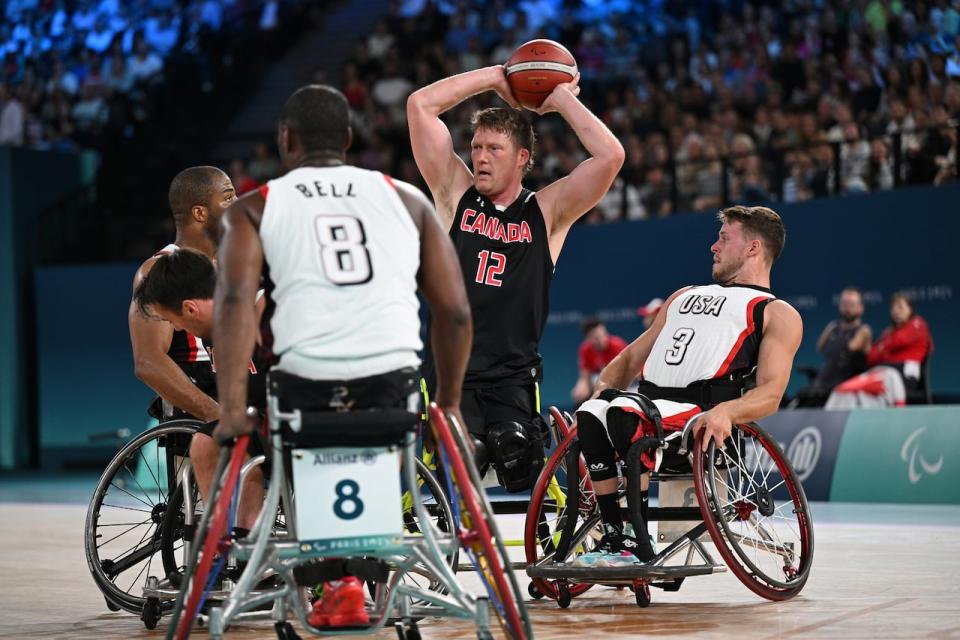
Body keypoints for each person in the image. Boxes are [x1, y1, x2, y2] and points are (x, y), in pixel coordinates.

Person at [210, 84, 472, 628]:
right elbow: (454, 313)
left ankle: (332, 577)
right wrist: (447, 403)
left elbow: (235, 302)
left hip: (304, 393)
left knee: (293, 432)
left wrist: (233, 409)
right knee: (372, 433)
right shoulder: (408, 199)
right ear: (349, 140)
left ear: (286, 140)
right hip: (393, 391)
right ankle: (360, 574)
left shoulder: (254, 208)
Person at [407, 63, 624, 492]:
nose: (481, 156)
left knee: (516, 457)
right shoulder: (455, 194)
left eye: (494, 148)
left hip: (513, 374)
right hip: (452, 370)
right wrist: (494, 77)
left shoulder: (547, 212)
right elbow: (420, 106)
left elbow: (611, 156)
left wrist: (560, 98)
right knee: (465, 455)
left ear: (523, 158)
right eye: (476, 146)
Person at [574, 205, 802, 567]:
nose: (714, 246)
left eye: (724, 238)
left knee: (623, 412)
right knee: (591, 412)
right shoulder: (683, 295)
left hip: (697, 415)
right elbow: (632, 358)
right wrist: (602, 386)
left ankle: (633, 537)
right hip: (647, 406)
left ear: (753, 249)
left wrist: (727, 411)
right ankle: (616, 535)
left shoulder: (775, 312)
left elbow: (770, 393)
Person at [128, 165, 238, 524]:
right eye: (229, 196)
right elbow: (148, 361)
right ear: (200, 213)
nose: (239, 203)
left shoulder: (239, 263)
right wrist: (214, 414)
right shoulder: (160, 271)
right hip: (201, 404)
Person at [132, 248, 266, 535]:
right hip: (258, 414)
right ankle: (223, 545)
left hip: (300, 410)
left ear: (190, 308)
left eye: (175, 321)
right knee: (206, 443)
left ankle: (251, 549)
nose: (178, 328)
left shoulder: (262, 307)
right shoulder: (211, 330)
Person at [571, 317, 627, 405]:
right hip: (600, 382)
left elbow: (625, 373)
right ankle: (577, 418)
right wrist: (581, 387)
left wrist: (603, 388)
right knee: (580, 394)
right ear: (588, 338)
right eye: (596, 338)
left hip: (623, 382)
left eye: (603, 335)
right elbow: (584, 376)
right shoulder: (585, 349)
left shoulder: (617, 345)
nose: (601, 340)